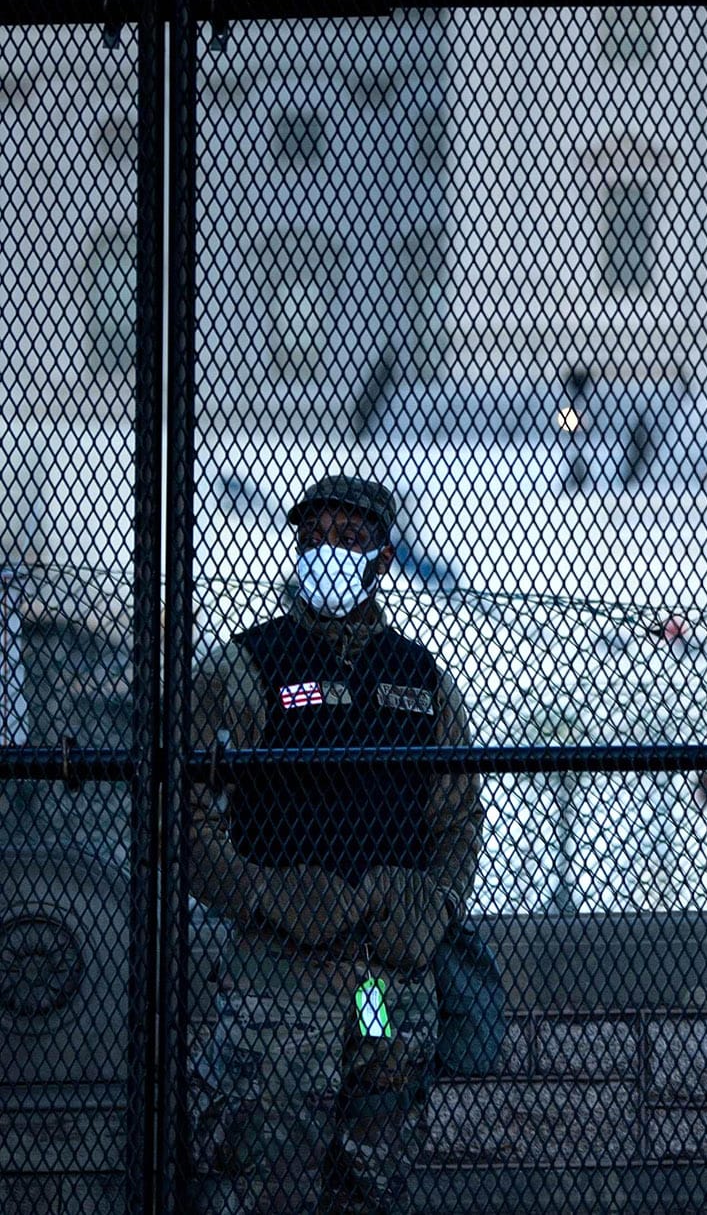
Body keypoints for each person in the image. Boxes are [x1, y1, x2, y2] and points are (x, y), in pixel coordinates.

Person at [187, 476, 484, 1215]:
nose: (328, 549)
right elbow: (186, 818)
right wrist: (265, 892)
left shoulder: (424, 680)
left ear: (382, 557)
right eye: (315, 534)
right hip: (281, 981)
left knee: (372, 1170)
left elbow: (457, 815)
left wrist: (435, 904)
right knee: (260, 1179)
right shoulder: (244, 667)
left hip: (384, 985)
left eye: (349, 537)